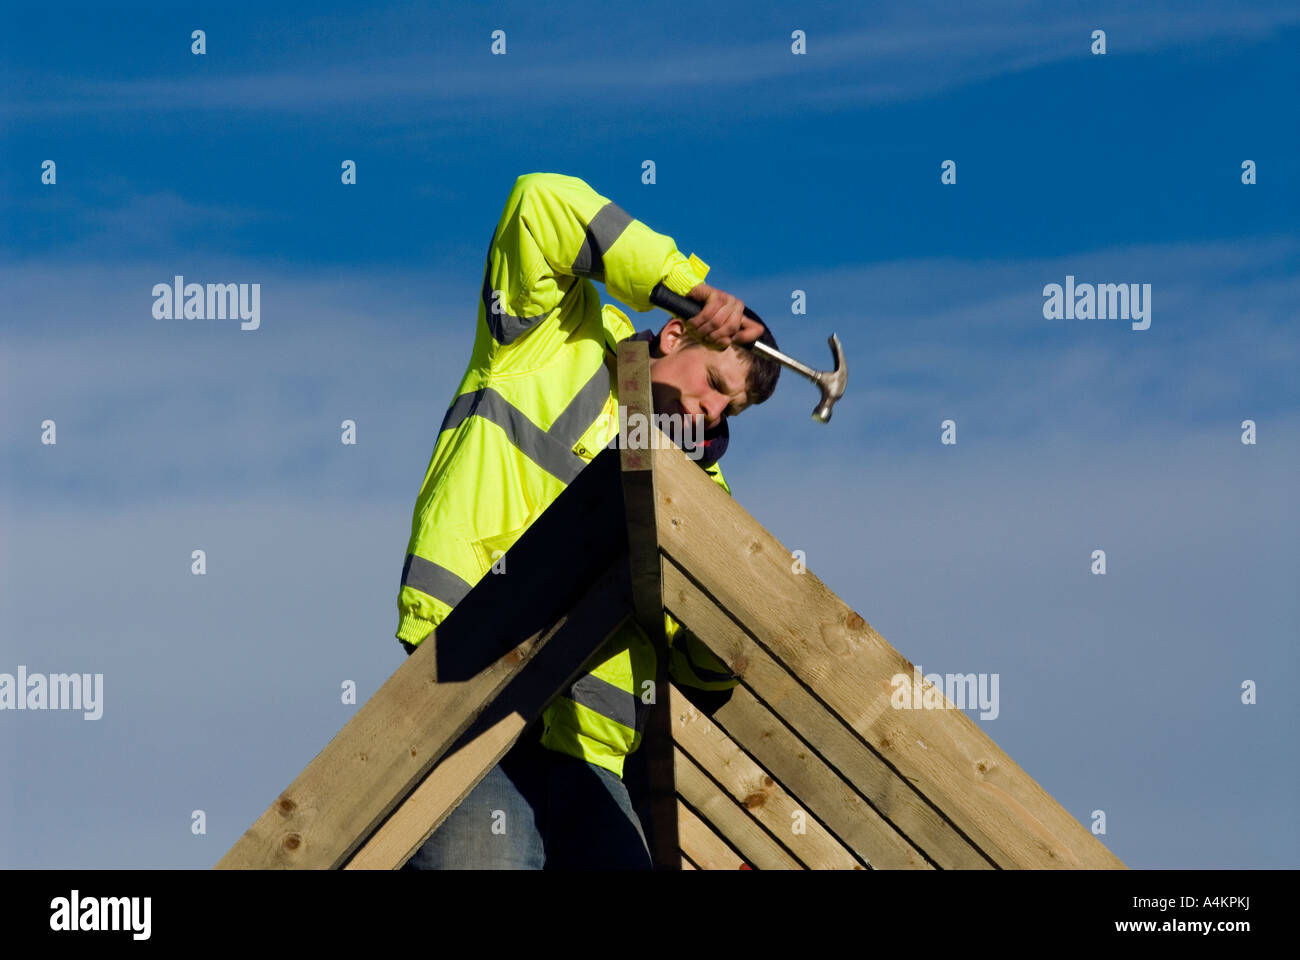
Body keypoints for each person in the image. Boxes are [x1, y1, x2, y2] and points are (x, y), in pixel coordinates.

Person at [397, 172, 780, 869]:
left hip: (591, 749)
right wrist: (681, 283)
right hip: (468, 689)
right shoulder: (549, 343)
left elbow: (709, 669)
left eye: (732, 412)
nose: (714, 413)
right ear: (674, 336)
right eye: (715, 385)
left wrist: (732, 629)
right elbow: (539, 204)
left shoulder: (704, 501)